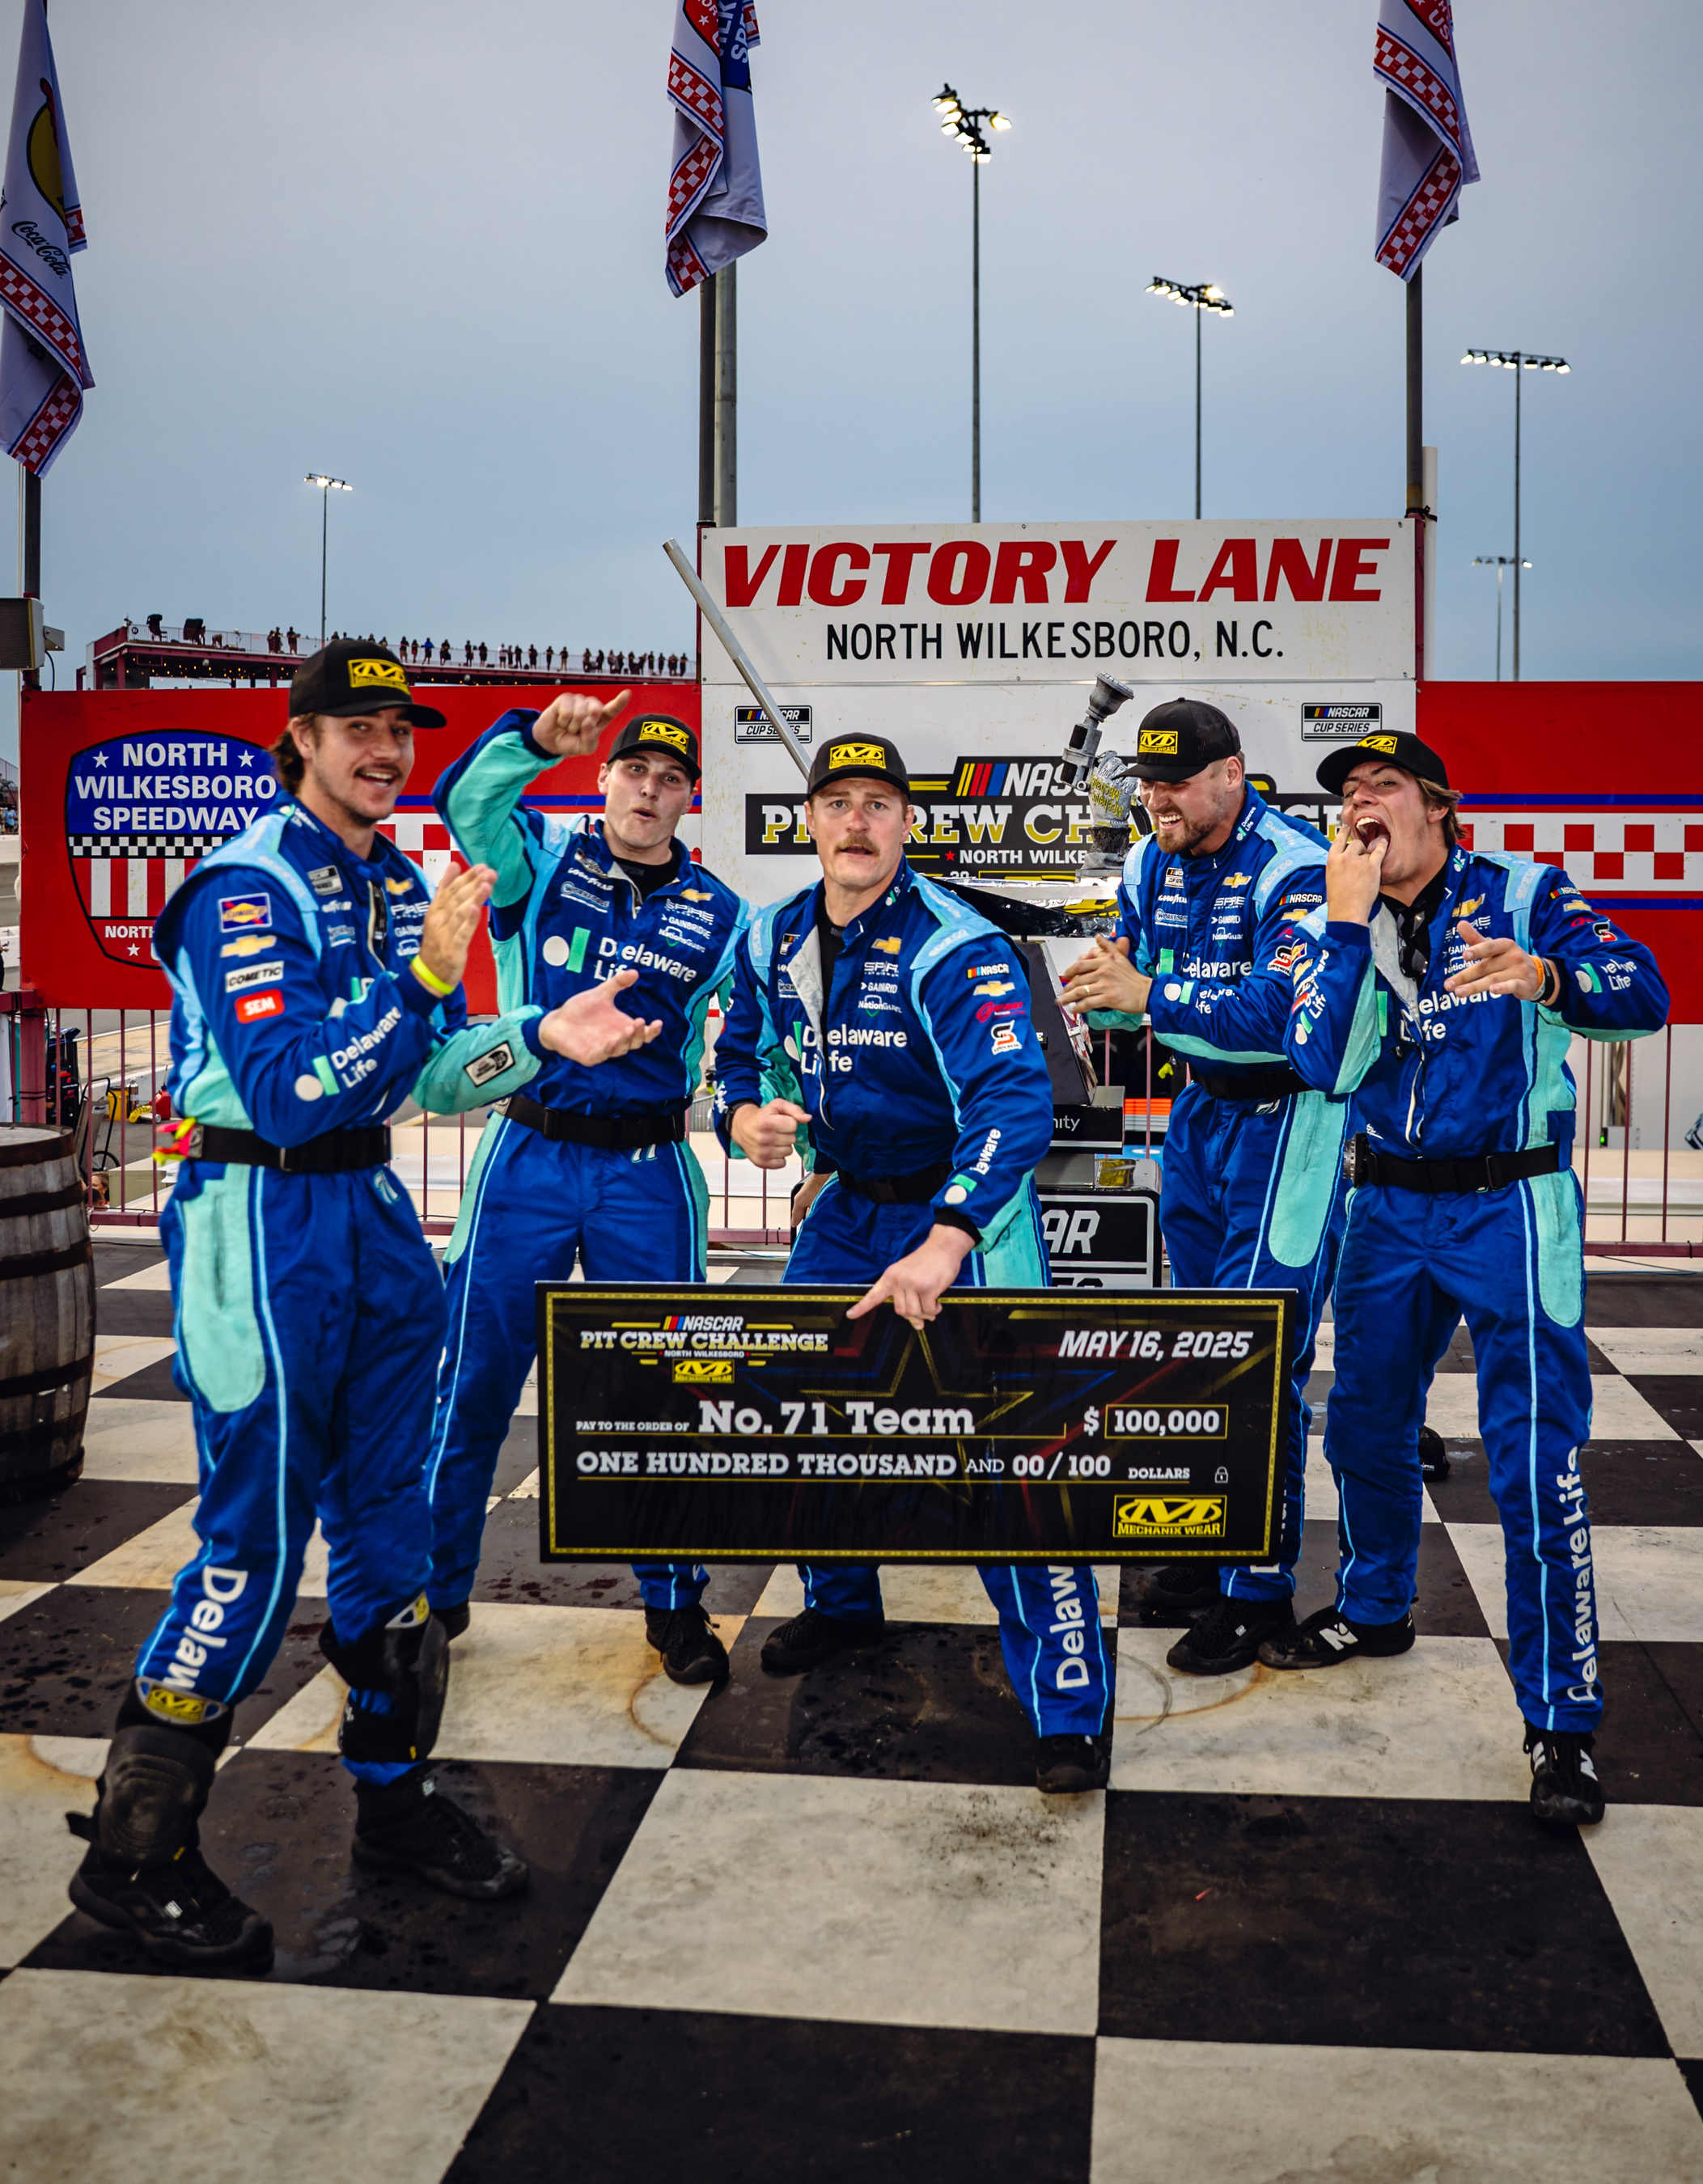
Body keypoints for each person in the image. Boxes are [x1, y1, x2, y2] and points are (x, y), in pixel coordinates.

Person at [66, 641, 663, 1973]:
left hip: (372, 1218)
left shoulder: (391, 878)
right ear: (303, 737)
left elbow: (427, 1077)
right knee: (256, 1543)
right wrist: (423, 985)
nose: (384, 750)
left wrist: (538, 1040)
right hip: (255, 1219)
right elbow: (288, 1089)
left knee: (391, 1533)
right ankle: (132, 1853)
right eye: (359, 729)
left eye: (399, 729)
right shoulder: (245, 884)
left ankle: (394, 1803)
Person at [1264, 729, 1668, 1827]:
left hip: (1511, 1200)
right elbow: (1311, 1057)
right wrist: (1345, 923)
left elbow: (1644, 991)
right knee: (1361, 1427)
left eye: (1382, 786)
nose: (1361, 805)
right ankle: (1376, 1606)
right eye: (1348, 793)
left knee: (1535, 1462)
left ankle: (1562, 1723)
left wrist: (1543, 976)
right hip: (1387, 1204)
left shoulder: (1529, 891)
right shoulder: (1328, 912)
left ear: (1439, 805)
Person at [714, 734, 1114, 1795]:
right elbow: (735, 1064)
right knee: (812, 1412)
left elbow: (1015, 1103)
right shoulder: (771, 935)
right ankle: (842, 1604)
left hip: (967, 1221)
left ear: (905, 825)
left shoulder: (956, 943)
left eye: (877, 805)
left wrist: (947, 1237)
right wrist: (752, 1125)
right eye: (836, 802)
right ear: (810, 820)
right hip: (845, 1213)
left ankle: (1067, 1697)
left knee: (1014, 1455)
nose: (856, 822)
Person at [424, 700, 748, 1683]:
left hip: (649, 1173)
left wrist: (756, 1111)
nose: (649, 789)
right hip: (528, 1155)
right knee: (471, 1377)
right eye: (634, 771)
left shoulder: (721, 910)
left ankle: (673, 1600)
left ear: (691, 799)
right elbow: (465, 803)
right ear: (604, 780)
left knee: (661, 1390)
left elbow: (758, 1034)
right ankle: (431, 1593)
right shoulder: (543, 863)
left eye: (670, 779)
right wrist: (529, 743)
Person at [1058, 700, 1343, 1675]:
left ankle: (1259, 1593)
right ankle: (1209, 1542)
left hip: (1286, 1121)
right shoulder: (1148, 858)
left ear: (1234, 774)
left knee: (1261, 1356)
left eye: (1176, 780)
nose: (1156, 798)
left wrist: (1150, 996)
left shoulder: (1295, 865)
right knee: (1199, 1346)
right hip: (1200, 1116)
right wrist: (1108, 973)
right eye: (1147, 781)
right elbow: (1136, 956)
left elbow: (1282, 1011)